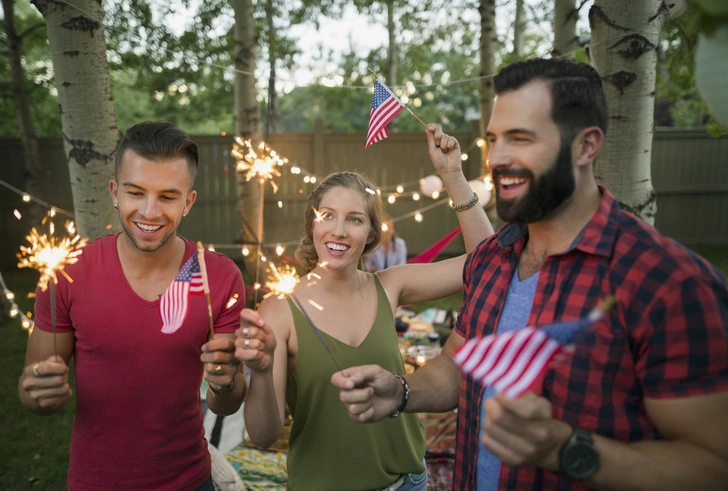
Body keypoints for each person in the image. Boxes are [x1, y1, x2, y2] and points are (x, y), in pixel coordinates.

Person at [331, 58, 728, 490]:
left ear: (585, 146)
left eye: (520, 139)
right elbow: (456, 367)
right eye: (493, 140)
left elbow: (713, 464)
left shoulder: (668, 284)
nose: (497, 158)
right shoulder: (491, 259)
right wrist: (401, 392)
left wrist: (565, 449)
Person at [234, 125, 494, 490]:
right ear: (312, 224)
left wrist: (453, 177)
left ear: (372, 233)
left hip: (408, 483)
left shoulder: (389, 285)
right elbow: (262, 437)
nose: (338, 231)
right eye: (327, 215)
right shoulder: (279, 310)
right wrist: (259, 373)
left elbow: (486, 264)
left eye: (354, 219)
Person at [17, 121, 248, 491]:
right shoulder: (66, 272)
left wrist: (223, 385)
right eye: (136, 192)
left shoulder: (220, 277)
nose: (150, 212)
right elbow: (34, 394)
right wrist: (39, 393)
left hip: (191, 481)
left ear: (188, 201)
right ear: (114, 192)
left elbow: (227, 403)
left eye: (168, 197)